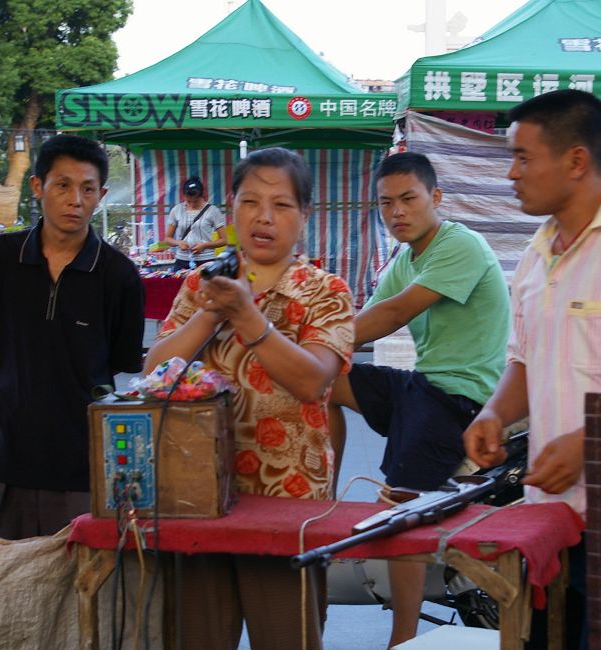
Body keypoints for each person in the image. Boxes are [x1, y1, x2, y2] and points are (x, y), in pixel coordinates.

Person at [145, 147, 354, 649]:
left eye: (281, 205)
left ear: (305, 215)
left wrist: (249, 317)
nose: (264, 217)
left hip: (289, 506)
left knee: (287, 636)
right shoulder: (201, 284)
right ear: (231, 208)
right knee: (198, 636)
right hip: (200, 501)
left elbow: (314, 381)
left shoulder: (326, 291)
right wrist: (212, 312)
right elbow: (154, 371)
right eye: (250, 201)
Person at [464, 89, 601, 650]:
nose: (511, 173)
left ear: (576, 161)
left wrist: (592, 443)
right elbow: (524, 359)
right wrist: (494, 413)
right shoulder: (536, 257)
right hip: (548, 517)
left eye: (522, 157)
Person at [328, 152, 510, 648]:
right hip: (423, 385)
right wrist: (306, 353)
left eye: (408, 199)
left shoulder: (461, 245)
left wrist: (307, 340)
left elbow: (391, 315)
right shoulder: (406, 259)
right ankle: (323, 498)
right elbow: (359, 326)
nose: (397, 212)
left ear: (437, 198)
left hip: (462, 398)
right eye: (386, 203)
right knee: (319, 381)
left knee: (399, 507)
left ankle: (402, 640)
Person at [0, 134, 145, 540]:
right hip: (6, 458)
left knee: (79, 590)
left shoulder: (120, 276)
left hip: (84, 465)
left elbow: (116, 365)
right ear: (38, 186)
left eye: (88, 188)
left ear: (101, 195)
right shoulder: (0, 260)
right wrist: (18, 387)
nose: (75, 199)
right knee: (1, 584)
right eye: (63, 185)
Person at [163, 175, 227, 271]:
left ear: (202, 196)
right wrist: (178, 243)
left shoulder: (213, 211)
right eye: (189, 201)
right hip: (182, 260)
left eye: (196, 201)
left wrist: (205, 245)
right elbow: (167, 239)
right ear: (184, 196)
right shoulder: (177, 210)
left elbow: (224, 240)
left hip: (206, 261)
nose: (192, 204)